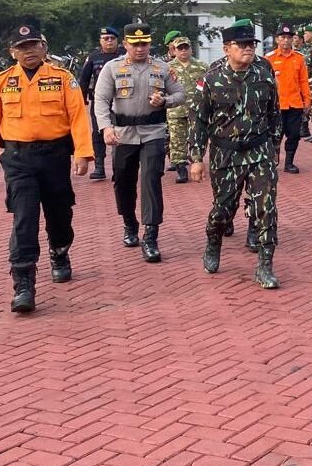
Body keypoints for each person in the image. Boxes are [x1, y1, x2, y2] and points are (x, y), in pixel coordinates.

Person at [0, 20, 93, 312]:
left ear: (44, 47)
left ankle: (59, 251)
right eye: (22, 47)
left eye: (33, 45)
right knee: (24, 218)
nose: (29, 51)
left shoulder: (63, 78)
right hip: (18, 160)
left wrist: (83, 153)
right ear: (12, 52)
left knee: (60, 215)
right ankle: (23, 283)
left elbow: (78, 116)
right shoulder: (2, 81)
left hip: (55, 157)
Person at [188, 20, 282, 288]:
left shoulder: (264, 75)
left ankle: (265, 266)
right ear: (227, 48)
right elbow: (198, 120)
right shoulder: (211, 78)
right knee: (223, 210)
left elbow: (274, 114)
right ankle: (213, 242)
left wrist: (275, 147)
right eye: (241, 45)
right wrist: (197, 158)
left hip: (259, 151)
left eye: (251, 44)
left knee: (265, 208)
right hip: (225, 155)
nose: (248, 48)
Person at [95, 24, 185, 263]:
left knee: (151, 179)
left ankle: (151, 236)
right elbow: (101, 100)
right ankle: (129, 222)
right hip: (123, 134)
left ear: (150, 44)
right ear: (125, 44)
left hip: (153, 132)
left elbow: (180, 94)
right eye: (134, 44)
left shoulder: (162, 68)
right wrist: (105, 127)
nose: (139, 48)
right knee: (123, 180)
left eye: (144, 43)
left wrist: (164, 101)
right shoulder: (112, 68)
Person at [78, 26, 125, 180]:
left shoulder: (125, 55)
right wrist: (81, 99)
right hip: (100, 101)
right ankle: (99, 166)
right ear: (100, 41)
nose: (109, 41)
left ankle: (119, 168)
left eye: (112, 38)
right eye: (106, 39)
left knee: (120, 132)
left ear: (117, 40)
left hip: (121, 100)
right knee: (98, 133)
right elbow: (84, 80)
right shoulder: (93, 57)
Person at [265, 23, 311, 175]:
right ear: (277, 39)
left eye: (289, 37)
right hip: (276, 105)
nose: (286, 40)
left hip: (294, 104)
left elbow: (303, 81)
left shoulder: (299, 58)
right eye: (283, 37)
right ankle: (273, 160)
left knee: (294, 135)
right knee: (275, 135)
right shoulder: (269, 59)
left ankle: (289, 163)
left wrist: (307, 101)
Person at [164, 34, 208, 184]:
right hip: (176, 110)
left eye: (186, 47)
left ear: (191, 49)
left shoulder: (202, 66)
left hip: (196, 110)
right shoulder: (167, 68)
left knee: (198, 138)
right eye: (180, 48)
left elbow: (209, 86)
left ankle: (197, 161)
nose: (183, 51)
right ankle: (181, 168)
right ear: (174, 50)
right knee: (177, 140)